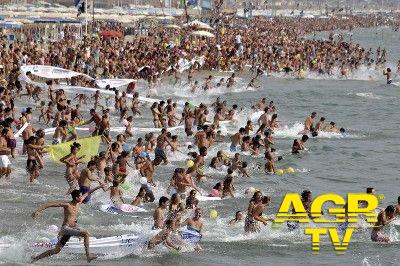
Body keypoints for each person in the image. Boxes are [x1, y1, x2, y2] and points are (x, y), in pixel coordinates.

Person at [31, 188, 103, 263]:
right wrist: (38, 210)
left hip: (72, 229)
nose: (82, 198)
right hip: (65, 229)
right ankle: (88, 256)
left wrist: (99, 186)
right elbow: (50, 204)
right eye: (80, 196)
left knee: (56, 250)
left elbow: (88, 192)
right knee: (86, 233)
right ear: (76, 198)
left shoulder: (79, 202)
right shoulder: (67, 205)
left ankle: (35, 258)